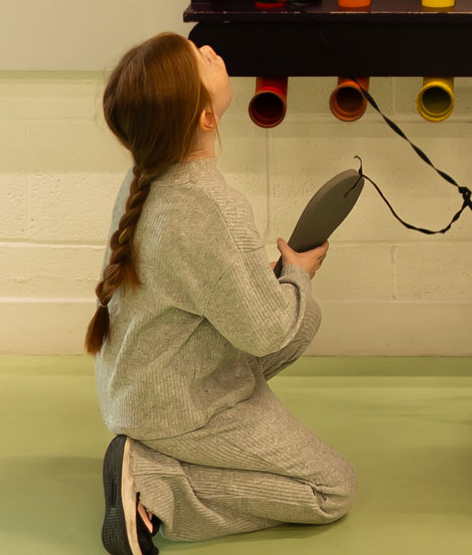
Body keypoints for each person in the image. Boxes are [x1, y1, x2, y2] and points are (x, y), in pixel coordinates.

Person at [88, 32, 355, 551]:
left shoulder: (144, 177)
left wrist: (266, 278)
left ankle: (151, 459)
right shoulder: (210, 206)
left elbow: (203, 280)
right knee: (331, 490)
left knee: (292, 321)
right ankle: (155, 483)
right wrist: (297, 274)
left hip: (137, 388)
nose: (210, 53)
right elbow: (269, 333)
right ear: (206, 117)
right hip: (180, 405)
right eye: (200, 61)